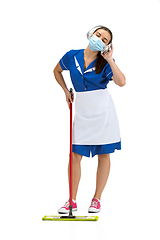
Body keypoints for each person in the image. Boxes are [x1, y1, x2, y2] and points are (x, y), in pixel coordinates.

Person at [53, 25, 126, 213]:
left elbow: (121, 82)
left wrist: (109, 59)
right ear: (90, 34)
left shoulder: (105, 62)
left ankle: (97, 199)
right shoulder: (72, 56)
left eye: (104, 40)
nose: (99, 39)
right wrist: (65, 91)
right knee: (75, 155)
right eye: (98, 35)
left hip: (103, 113)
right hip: (83, 111)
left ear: (107, 46)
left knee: (104, 154)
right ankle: (72, 200)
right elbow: (56, 71)